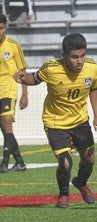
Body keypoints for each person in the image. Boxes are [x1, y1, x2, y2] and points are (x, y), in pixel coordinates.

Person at [14, 33, 97, 208]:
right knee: (65, 162)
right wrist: (21, 77)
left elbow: (94, 88)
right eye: (74, 57)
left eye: (82, 56)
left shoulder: (91, 68)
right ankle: (63, 194)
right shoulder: (51, 68)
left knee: (90, 159)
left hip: (80, 121)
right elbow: (33, 79)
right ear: (64, 56)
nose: (79, 61)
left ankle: (80, 182)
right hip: (55, 122)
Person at [0, 14, 28, 173]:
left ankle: (4, 163)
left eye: (1, 28)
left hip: (9, 85)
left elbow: (22, 70)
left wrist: (25, 94)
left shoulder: (13, 45)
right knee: (5, 128)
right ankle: (20, 162)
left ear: (6, 27)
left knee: (6, 119)